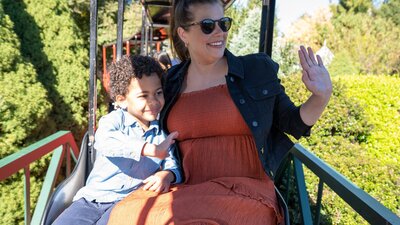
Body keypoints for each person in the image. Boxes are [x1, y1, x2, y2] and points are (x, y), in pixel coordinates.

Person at [107, 0, 332, 224]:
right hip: (186, 186)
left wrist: (320, 96)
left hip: (245, 189)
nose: (219, 32)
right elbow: (139, 120)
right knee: (124, 215)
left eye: (223, 24)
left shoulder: (255, 70)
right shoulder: (171, 81)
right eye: (208, 25)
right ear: (183, 33)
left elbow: (292, 122)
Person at [52, 55, 182, 225]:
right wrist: (148, 149)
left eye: (158, 93)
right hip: (93, 199)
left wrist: (168, 175)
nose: (154, 101)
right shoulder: (113, 122)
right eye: (143, 96)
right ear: (121, 100)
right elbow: (106, 141)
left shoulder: (162, 133)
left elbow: (173, 164)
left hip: (130, 201)